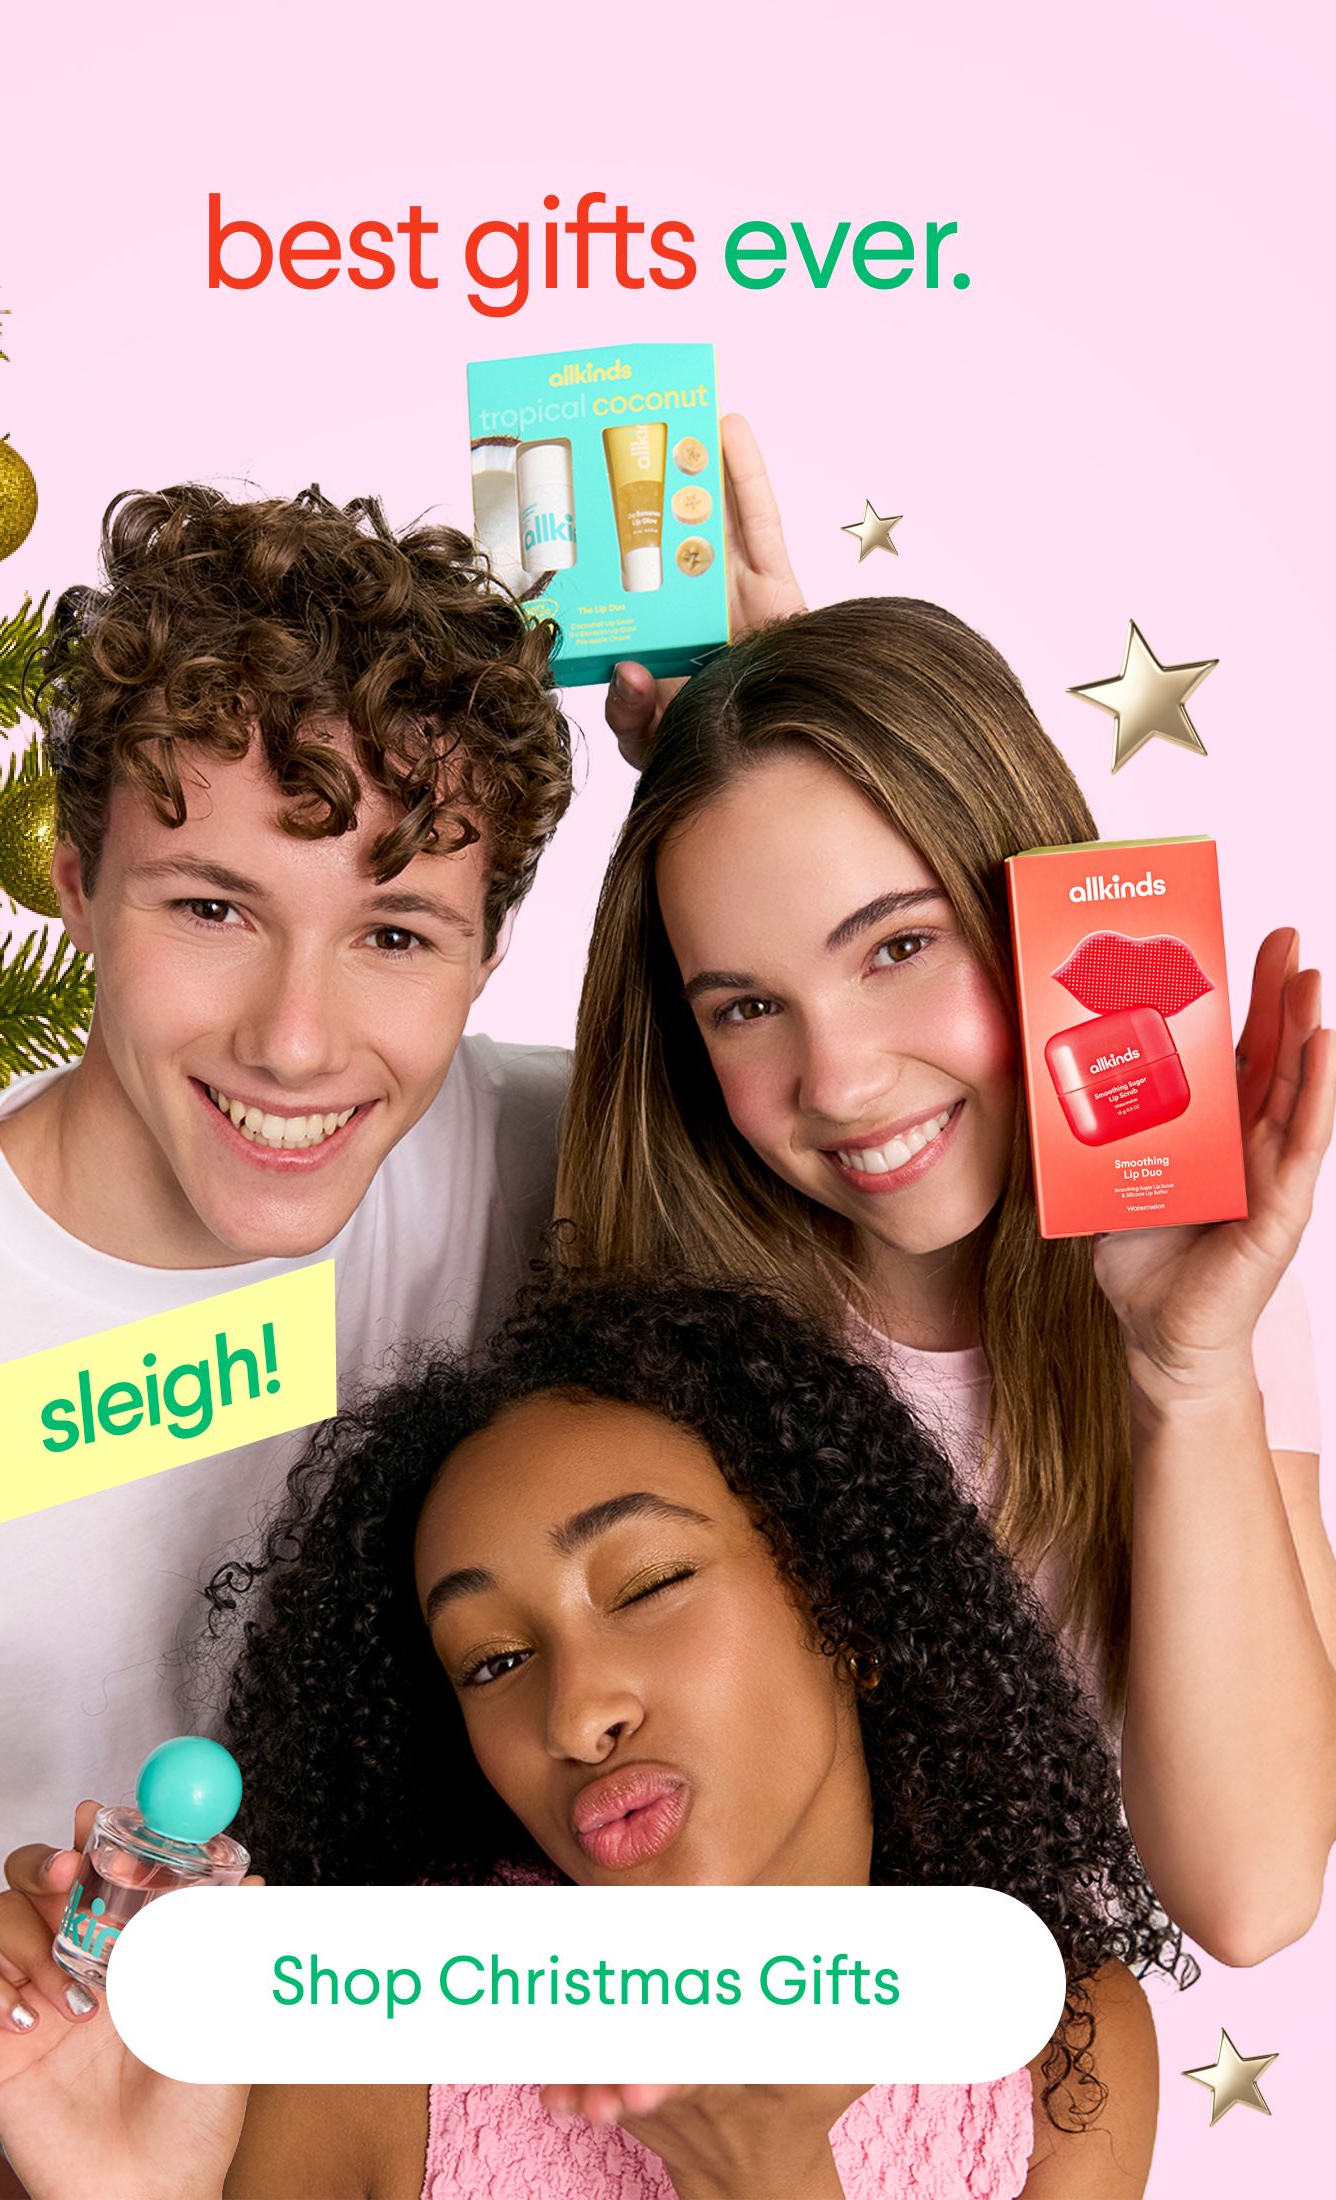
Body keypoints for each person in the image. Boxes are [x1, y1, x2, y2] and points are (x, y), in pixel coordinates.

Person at [0, 482, 575, 2199]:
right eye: (213, 909)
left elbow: (862, 1088)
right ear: (76, 881)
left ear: (483, 957)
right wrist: (4, 2179)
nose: (298, 1043)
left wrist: (754, 726)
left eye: (394, 934)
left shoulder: (556, 1160)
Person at [0, 1274, 1179, 2199]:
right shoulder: (382, 2047)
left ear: (845, 1601)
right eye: (494, 1661)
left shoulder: (1060, 2051)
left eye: (644, 1583)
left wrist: (764, 2174)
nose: (578, 1715)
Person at [558, 596, 1336, 1968]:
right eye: (747, 1005)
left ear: (1033, 906)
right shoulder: (667, 1345)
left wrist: (1189, 1371)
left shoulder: (1207, 1271)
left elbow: (1253, 1894)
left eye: (899, 947)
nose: (843, 1081)